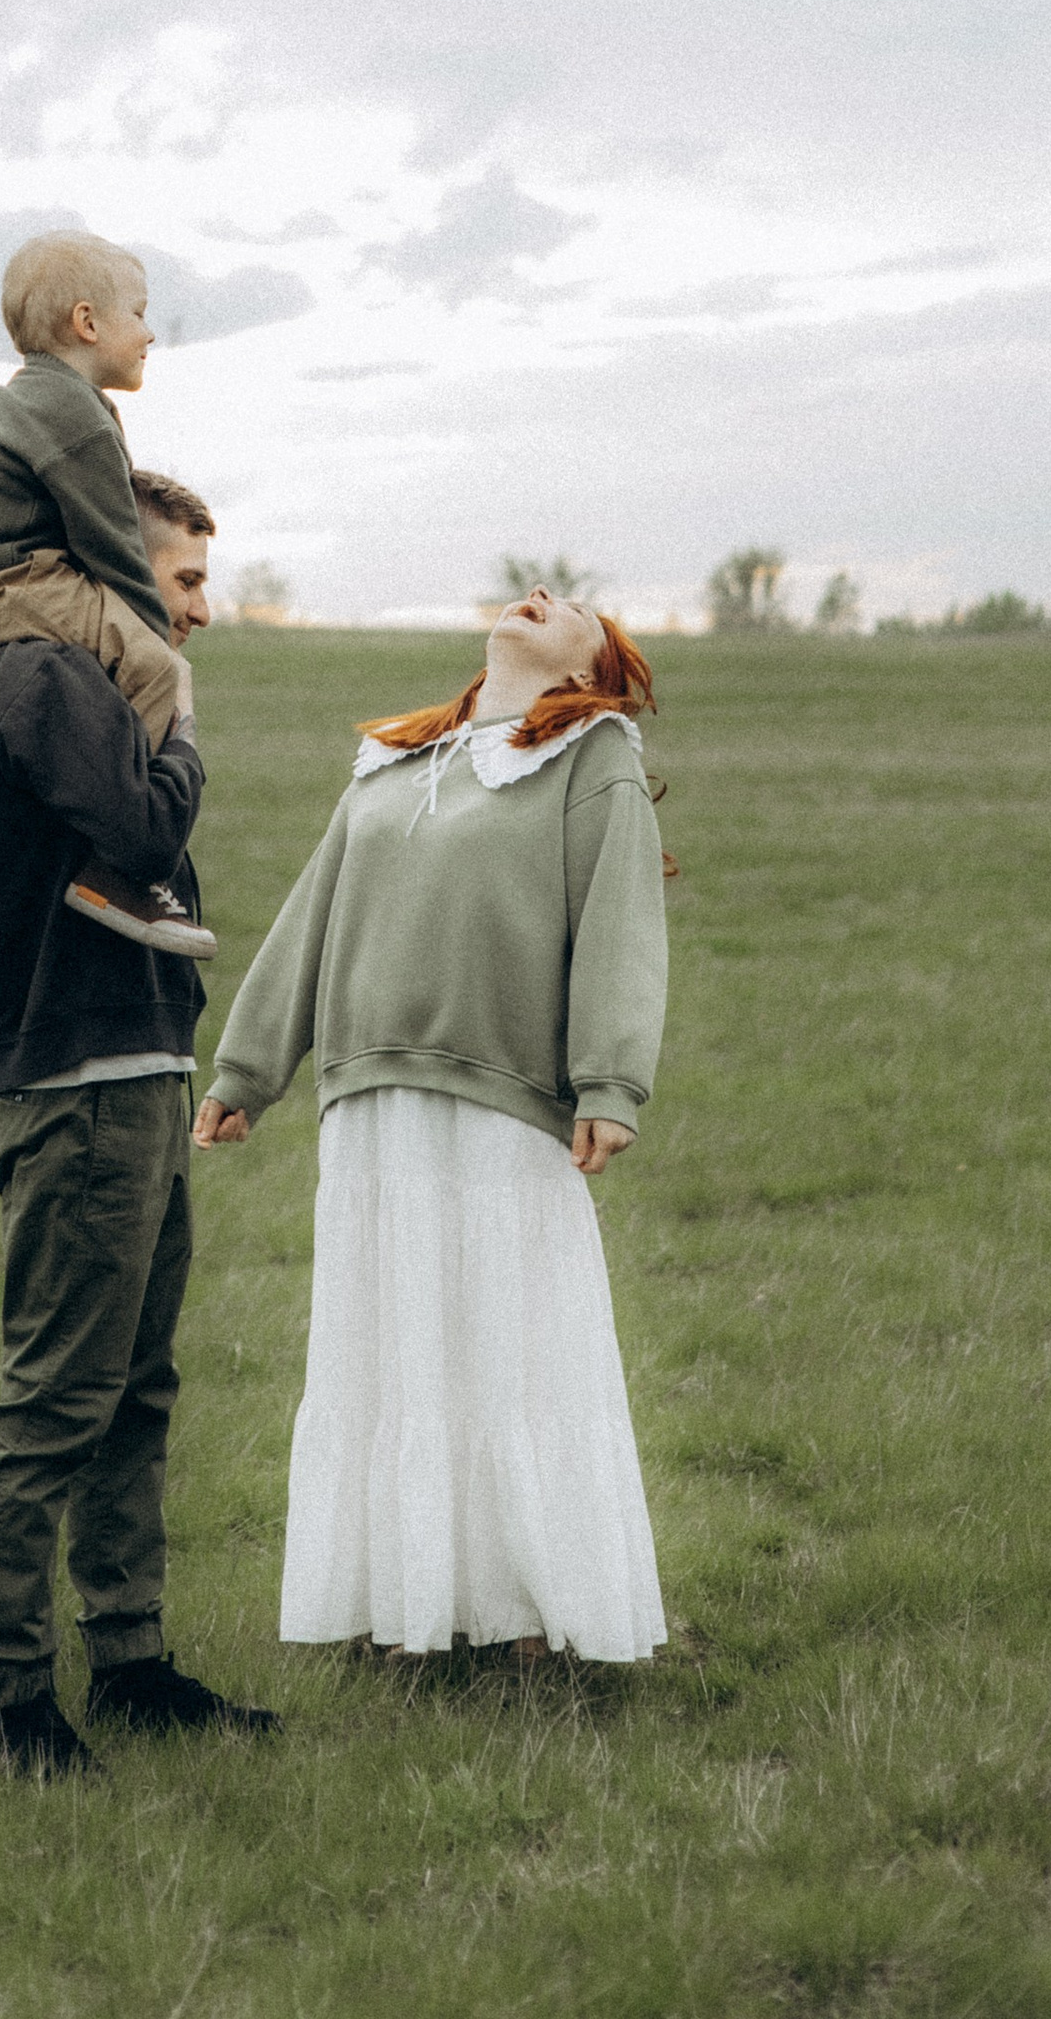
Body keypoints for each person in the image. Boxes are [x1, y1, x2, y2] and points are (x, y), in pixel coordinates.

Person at [195, 587, 670, 1666]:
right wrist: (247, 1070)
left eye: (577, 605)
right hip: (368, 1108)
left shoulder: (596, 753)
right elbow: (312, 914)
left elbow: (621, 920)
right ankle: (408, 1613)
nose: (544, 593)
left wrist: (609, 1083)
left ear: (594, 663)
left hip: (501, 1099)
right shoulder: (394, 756)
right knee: (391, 1351)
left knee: (510, 1350)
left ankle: (538, 1619)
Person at [0, 469, 279, 1775]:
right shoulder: (43, 683)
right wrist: (174, 723)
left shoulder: (57, 683)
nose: (202, 610)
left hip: (130, 1071)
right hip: (79, 1088)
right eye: (184, 580)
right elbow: (146, 819)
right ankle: (17, 1705)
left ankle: (130, 1666)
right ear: (115, 570)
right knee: (58, 1400)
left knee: (133, 1390)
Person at [0, 231, 209, 956]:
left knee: (134, 657)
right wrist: (151, 646)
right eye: (138, 315)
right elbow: (116, 548)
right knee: (155, 667)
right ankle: (117, 861)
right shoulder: (72, 412)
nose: (149, 333)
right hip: (6, 586)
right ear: (87, 323)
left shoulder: (51, 400)